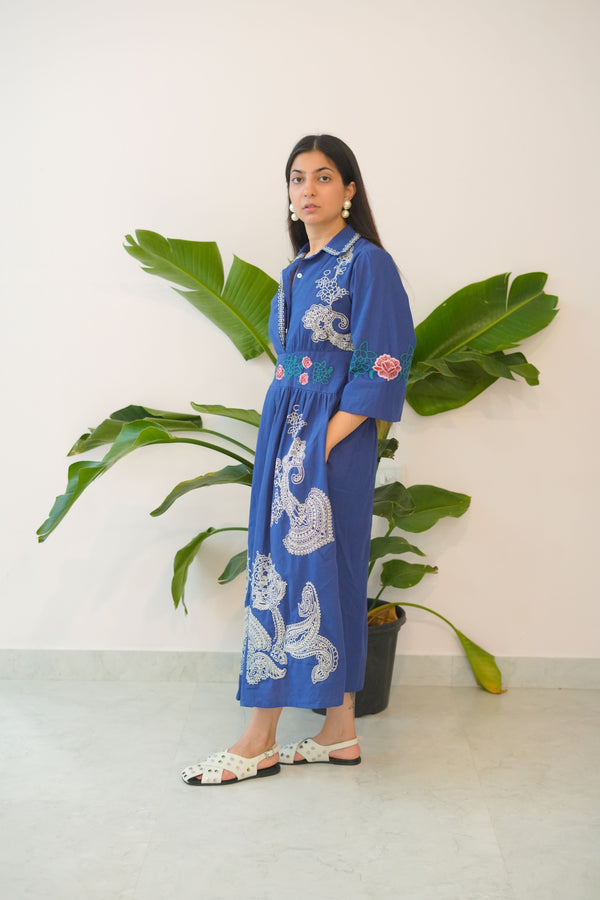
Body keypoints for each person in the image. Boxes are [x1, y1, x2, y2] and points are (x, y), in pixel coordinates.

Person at [181, 134, 415, 786]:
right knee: (305, 569)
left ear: (350, 190)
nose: (308, 189)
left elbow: (383, 361)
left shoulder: (367, 264)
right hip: (286, 431)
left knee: (295, 572)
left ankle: (258, 739)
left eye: (323, 176)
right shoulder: (296, 271)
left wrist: (323, 441)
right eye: (297, 178)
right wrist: (293, 438)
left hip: (327, 439)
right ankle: (339, 733)